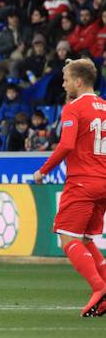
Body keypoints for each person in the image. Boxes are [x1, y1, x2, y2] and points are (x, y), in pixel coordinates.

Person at [34, 58, 106, 316]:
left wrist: (43, 171)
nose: (63, 85)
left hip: (82, 181)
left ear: (78, 81)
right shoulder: (105, 107)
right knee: (87, 240)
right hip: (103, 183)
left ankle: (98, 288)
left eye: (65, 80)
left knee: (68, 239)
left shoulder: (74, 108)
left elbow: (66, 145)